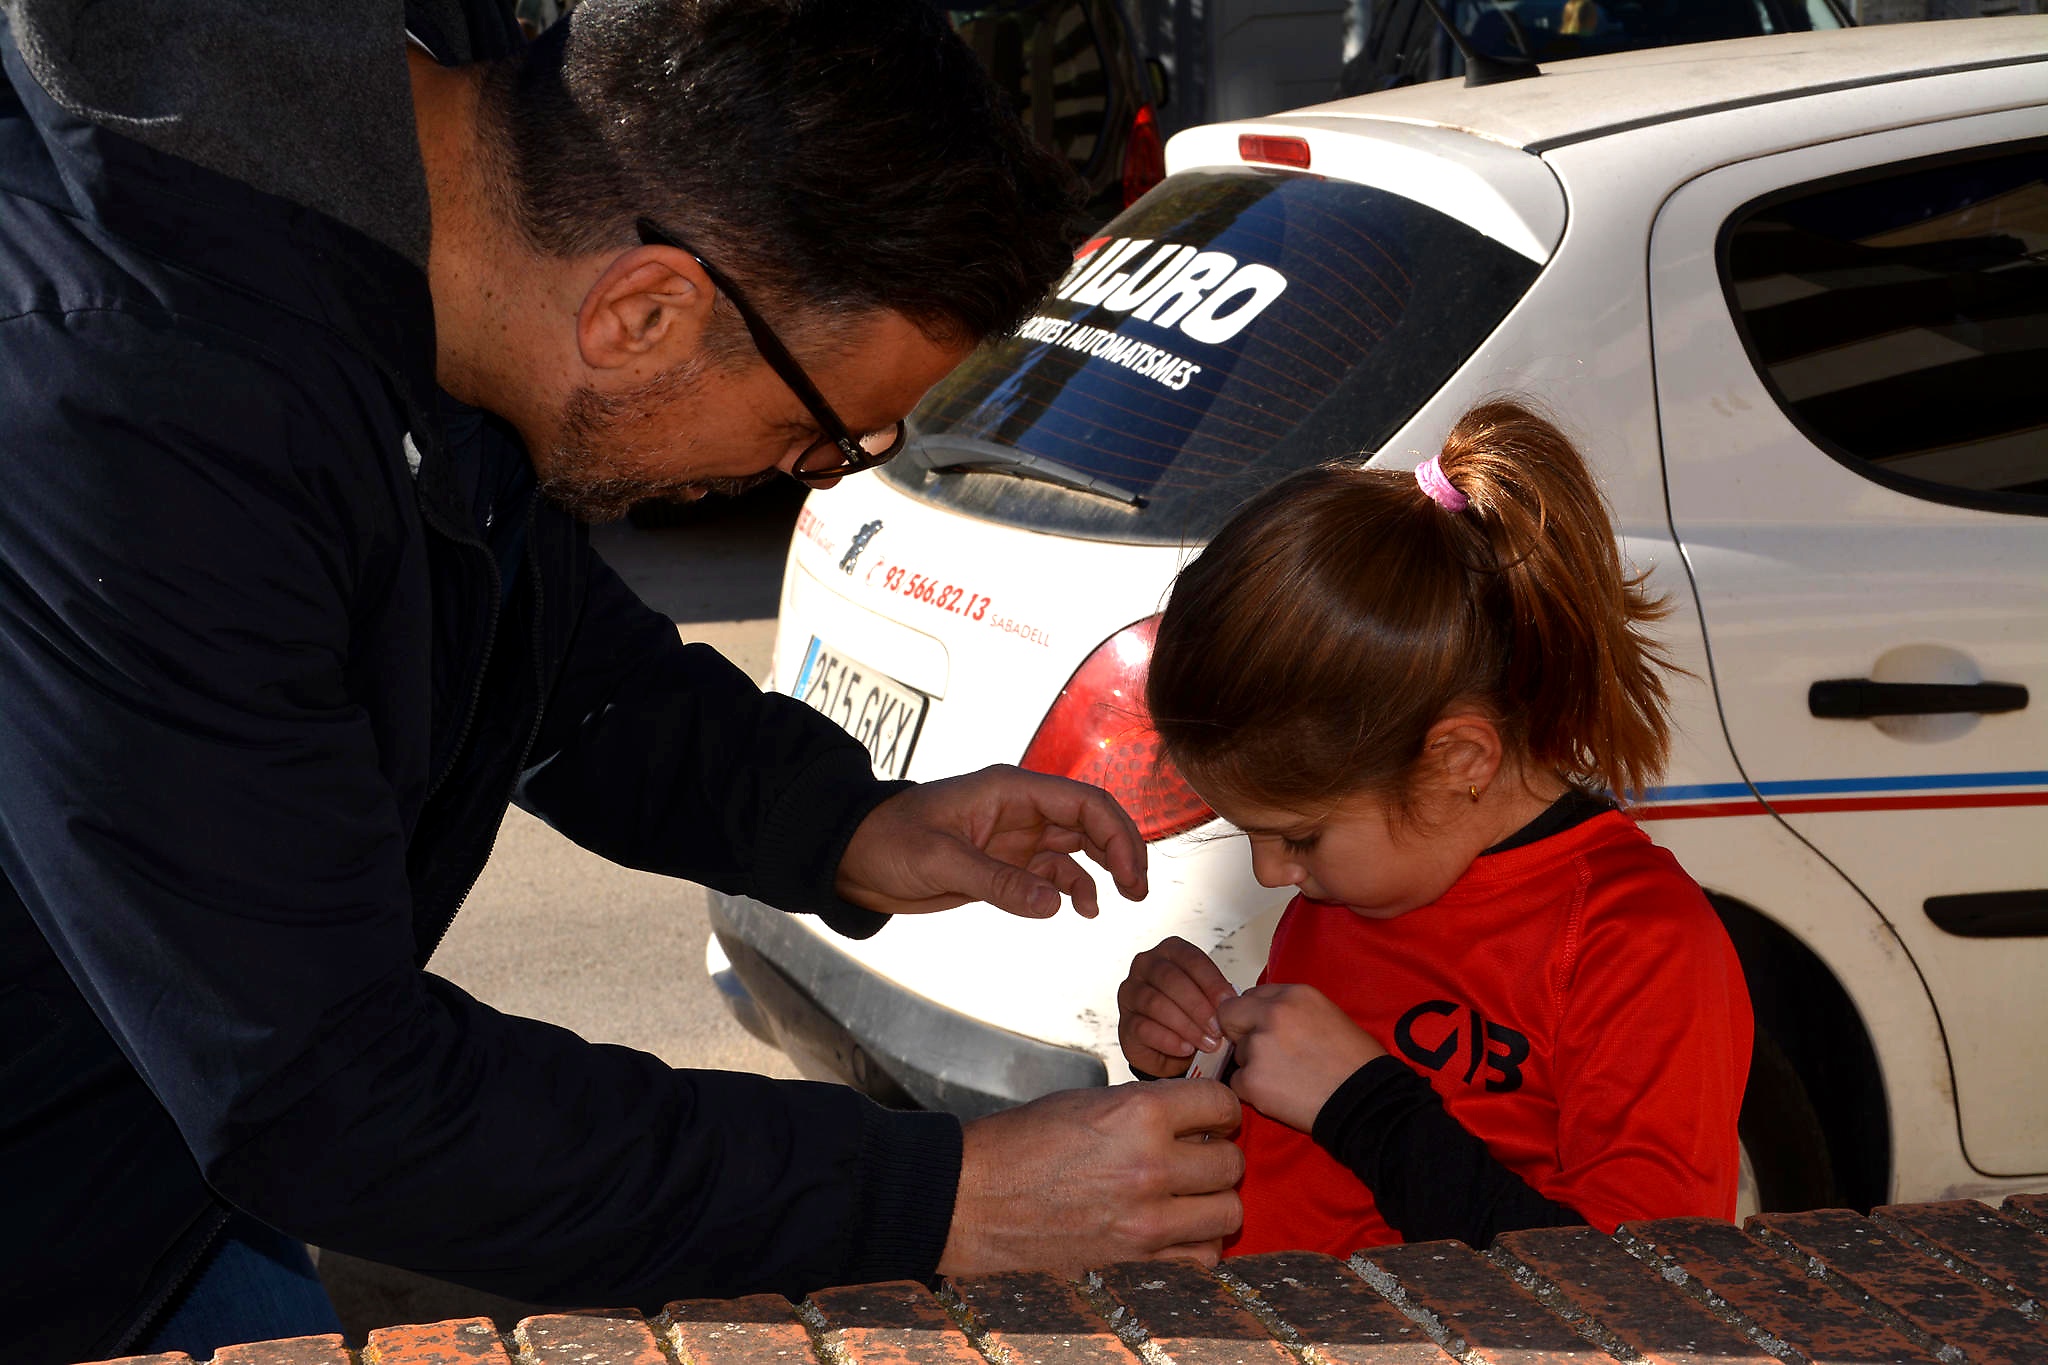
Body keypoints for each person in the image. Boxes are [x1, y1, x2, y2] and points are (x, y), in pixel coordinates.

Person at [0, 0, 1243, 1358]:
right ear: (645, 313)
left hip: (146, 1171)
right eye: (816, 438)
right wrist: (949, 1197)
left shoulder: (459, 198)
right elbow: (325, 1093)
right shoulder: (125, 410)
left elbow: (530, 626)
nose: (812, 478)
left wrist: (838, 824)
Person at [1115, 400, 1752, 1256]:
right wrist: (1190, 1065)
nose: (1270, 872)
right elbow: (1295, 1172)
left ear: (1457, 759)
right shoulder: (1361, 886)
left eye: (1298, 836)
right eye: (1250, 833)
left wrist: (1364, 1107)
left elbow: (1646, 1287)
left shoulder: (1637, 944)